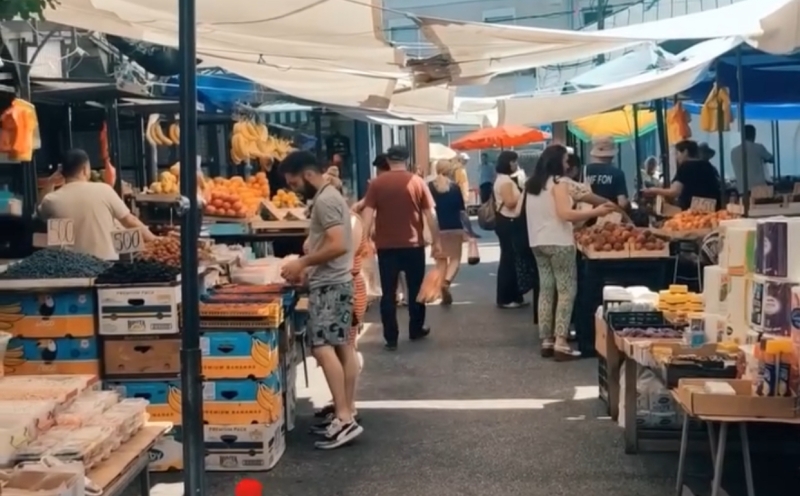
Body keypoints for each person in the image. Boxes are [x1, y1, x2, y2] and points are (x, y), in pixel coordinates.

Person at [278, 150, 362, 450]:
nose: (293, 189)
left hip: (331, 285)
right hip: (335, 281)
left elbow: (338, 244)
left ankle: (343, 416)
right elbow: (333, 241)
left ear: (308, 174)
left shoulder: (325, 200)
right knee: (341, 346)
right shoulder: (330, 197)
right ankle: (346, 411)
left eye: (294, 183)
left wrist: (303, 263)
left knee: (322, 347)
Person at [525, 145, 616, 359]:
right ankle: (561, 341)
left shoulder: (532, 185)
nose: (568, 165)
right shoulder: (560, 183)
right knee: (567, 292)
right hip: (559, 242)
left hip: (537, 242)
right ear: (557, 162)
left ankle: (546, 339)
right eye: (566, 160)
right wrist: (598, 211)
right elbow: (565, 213)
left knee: (546, 290)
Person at [361, 145, 441, 351]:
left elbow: (367, 214)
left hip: (386, 246)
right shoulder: (417, 182)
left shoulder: (377, 184)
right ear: (407, 160)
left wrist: (364, 239)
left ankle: (391, 337)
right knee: (415, 289)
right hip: (413, 245)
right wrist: (437, 240)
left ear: (388, 160)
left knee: (388, 292)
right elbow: (431, 215)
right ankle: (416, 329)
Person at [37, 148, 155, 260]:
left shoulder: (52, 199)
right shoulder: (104, 190)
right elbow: (130, 221)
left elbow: (40, 211)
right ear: (85, 170)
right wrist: (156, 240)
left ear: (61, 172)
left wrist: (50, 182)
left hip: (70, 267)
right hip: (106, 265)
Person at [428, 160, 474, 305]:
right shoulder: (455, 187)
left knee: (441, 262)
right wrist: (468, 230)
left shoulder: (430, 187)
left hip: (437, 228)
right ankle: (446, 283)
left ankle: (442, 292)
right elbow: (461, 210)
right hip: (454, 227)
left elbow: (427, 210)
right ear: (450, 171)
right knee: (455, 259)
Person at [641, 140, 721, 211]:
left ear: (685, 152)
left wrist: (653, 190)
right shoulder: (708, 166)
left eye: (677, 153)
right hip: (714, 208)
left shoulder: (685, 166)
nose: (676, 157)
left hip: (693, 212)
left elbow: (675, 192)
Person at [493, 150, 527, 309]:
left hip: (506, 221)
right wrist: (523, 191)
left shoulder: (503, 179)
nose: (516, 164)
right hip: (508, 221)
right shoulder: (505, 181)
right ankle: (506, 297)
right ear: (508, 163)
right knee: (509, 260)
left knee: (511, 259)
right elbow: (510, 202)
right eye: (514, 161)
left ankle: (514, 295)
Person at [583, 135, 629, 208]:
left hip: (586, 216)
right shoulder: (617, 173)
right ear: (612, 154)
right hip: (609, 217)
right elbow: (622, 202)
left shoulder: (584, 171)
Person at [730, 124, 773, 194]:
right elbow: (772, 159)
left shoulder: (733, 152)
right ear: (753, 135)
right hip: (759, 189)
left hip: (742, 189)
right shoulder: (758, 148)